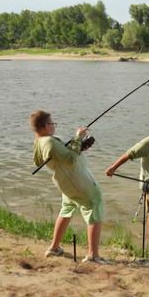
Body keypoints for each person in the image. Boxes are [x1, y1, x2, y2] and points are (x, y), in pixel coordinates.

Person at [30, 110, 106, 264]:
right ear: (45, 126)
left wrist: (80, 146)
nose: (54, 126)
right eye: (52, 123)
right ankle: (92, 256)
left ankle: (54, 248)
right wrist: (78, 137)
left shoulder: (39, 142)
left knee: (66, 209)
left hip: (65, 183)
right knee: (94, 206)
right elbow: (70, 159)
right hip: (78, 181)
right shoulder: (49, 142)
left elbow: (42, 161)